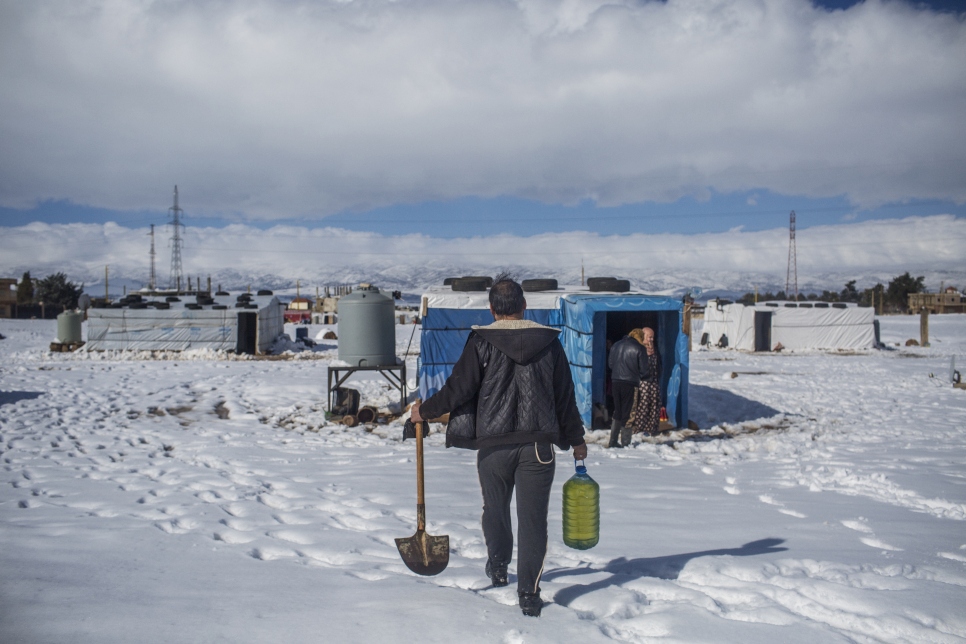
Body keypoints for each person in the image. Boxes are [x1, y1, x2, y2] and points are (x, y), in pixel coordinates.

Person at [410, 276, 587, 618]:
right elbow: (565, 398)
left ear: (491, 310)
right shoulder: (550, 343)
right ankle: (529, 593)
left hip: (493, 447)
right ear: (524, 306)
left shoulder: (481, 340)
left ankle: (499, 565)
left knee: (495, 510)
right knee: (533, 521)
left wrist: (424, 411)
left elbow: (457, 389)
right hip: (539, 447)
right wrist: (577, 440)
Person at [607, 327, 651, 447]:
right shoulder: (640, 348)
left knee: (618, 411)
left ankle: (613, 441)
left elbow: (610, 364)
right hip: (630, 383)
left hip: (616, 382)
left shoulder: (616, 345)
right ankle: (625, 442)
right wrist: (645, 377)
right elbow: (644, 370)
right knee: (629, 412)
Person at [627, 327, 661, 436]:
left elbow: (659, 364)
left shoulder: (655, 349)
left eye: (652, 337)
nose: (651, 339)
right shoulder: (639, 348)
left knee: (655, 404)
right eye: (649, 337)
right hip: (643, 382)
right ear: (643, 337)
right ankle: (639, 428)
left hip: (654, 381)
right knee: (643, 404)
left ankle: (652, 428)